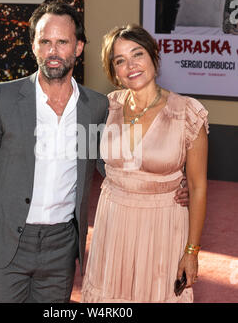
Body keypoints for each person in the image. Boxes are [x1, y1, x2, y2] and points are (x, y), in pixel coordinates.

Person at [0, 2, 189, 303]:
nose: (53, 51)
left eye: (62, 42)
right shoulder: (2, 97)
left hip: (62, 248)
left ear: (79, 47)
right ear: (34, 46)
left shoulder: (96, 106)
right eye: (45, 41)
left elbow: (110, 161)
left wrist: (169, 182)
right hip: (7, 244)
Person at [81, 24, 208, 303]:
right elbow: (100, 161)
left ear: (154, 56)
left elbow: (198, 187)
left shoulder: (187, 112)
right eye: (120, 60)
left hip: (162, 228)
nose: (131, 65)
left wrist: (192, 251)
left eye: (137, 54)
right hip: (113, 226)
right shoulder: (107, 107)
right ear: (114, 71)